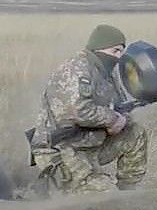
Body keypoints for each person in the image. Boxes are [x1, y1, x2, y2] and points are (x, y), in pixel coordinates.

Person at [29, 24, 147, 193]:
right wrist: (112, 119)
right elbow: (79, 111)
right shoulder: (76, 69)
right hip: (63, 150)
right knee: (106, 197)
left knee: (135, 132)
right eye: (115, 51)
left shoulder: (106, 73)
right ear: (100, 48)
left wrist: (122, 119)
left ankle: (128, 191)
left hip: (89, 144)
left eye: (122, 51)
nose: (119, 57)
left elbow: (117, 106)